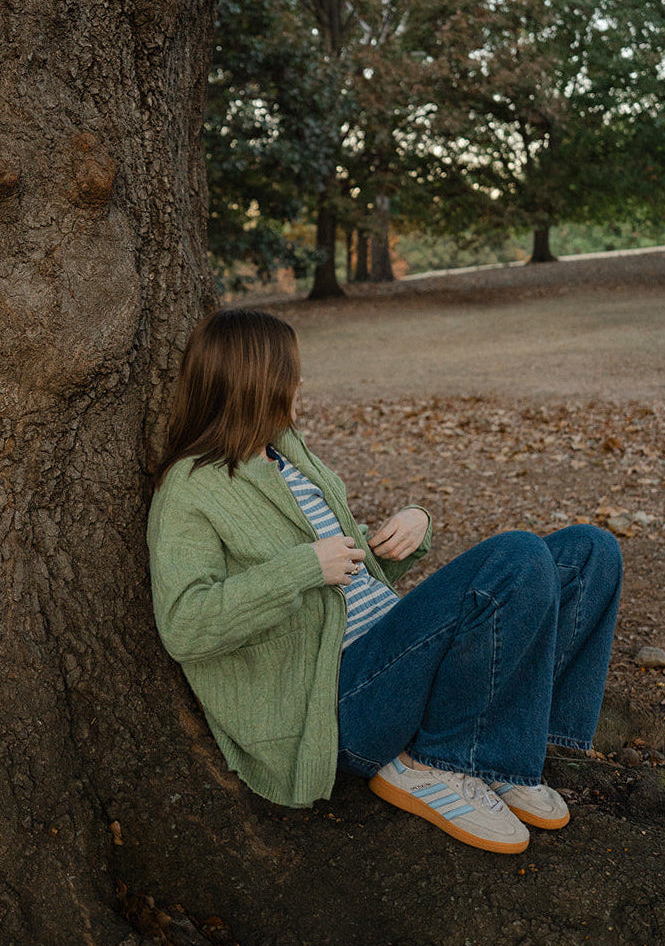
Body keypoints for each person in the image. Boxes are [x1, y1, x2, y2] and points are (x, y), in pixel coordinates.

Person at [147, 308, 622, 855]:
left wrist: (409, 530)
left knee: (592, 551)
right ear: (255, 383)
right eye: (290, 373)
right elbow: (185, 624)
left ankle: (507, 752)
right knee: (515, 555)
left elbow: (344, 563)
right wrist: (304, 567)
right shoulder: (189, 488)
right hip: (339, 702)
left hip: (391, 651)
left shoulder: (286, 454)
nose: (300, 384)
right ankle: (433, 764)